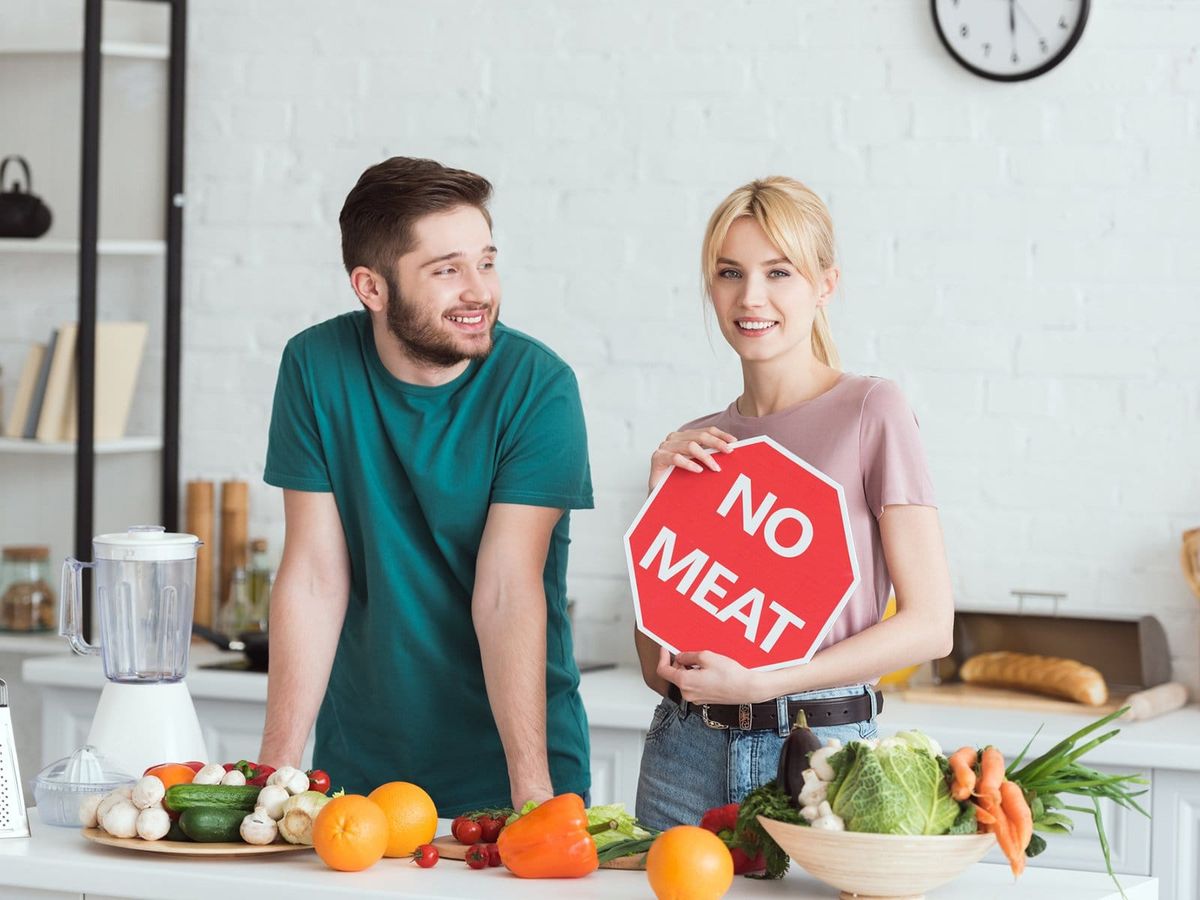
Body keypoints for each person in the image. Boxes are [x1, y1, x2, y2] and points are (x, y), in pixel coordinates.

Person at [258, 157, 594, 816]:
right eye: (446, 270)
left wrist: (531, 793)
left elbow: (506, 590)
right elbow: (316, 577)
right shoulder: (314, 367)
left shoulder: (539, 386)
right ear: (371, 287)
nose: (479, 291)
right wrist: (274, 775)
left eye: (486, 262)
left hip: (516, 770)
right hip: (359, 774)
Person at [634, 176, 954, 831]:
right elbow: (657, 669)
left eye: (779, 272)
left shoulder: (871, 411)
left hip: (825, 760)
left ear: (825, 284)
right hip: (683, 759)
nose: (752, 297)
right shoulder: (700, 444)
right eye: (730, 273)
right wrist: (656, 508)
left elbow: (931, 625)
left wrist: (766, 683)